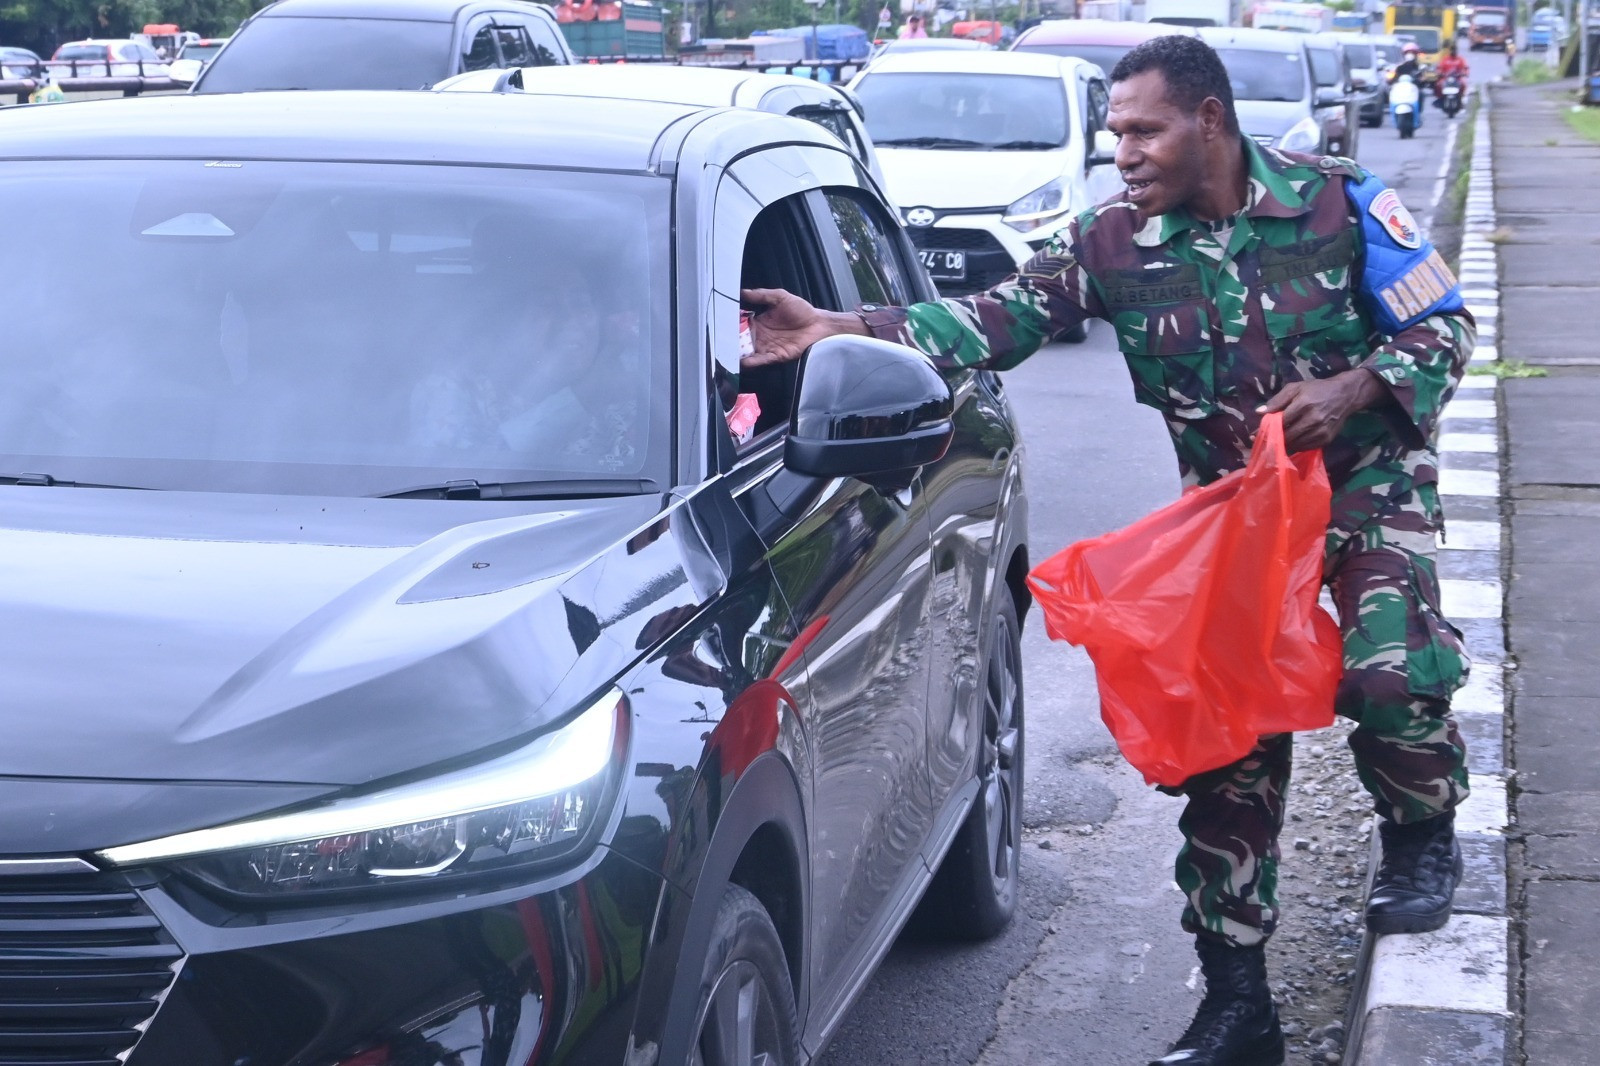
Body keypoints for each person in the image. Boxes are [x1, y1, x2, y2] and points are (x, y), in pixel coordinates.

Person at [742, 34, 1473, 1066]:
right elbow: (992, 320)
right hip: (1231, 520)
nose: (1122, 151)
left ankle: (1419, 829)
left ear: (1208, 120)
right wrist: (836, 325)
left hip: (1364, 489)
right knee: (1224, 749)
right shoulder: (1112, 241)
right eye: (1115, 132)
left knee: (1389, 670)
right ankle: (1238, 1005)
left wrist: (1351, 389)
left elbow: (1444, 327)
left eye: (1142, 130)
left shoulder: (1338, 203)